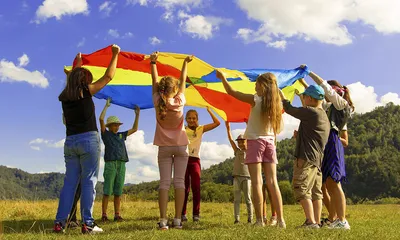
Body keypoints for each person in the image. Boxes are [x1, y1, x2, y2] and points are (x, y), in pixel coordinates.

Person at [54, 44, 120, 234]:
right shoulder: (86, 91)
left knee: (69, 183)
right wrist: (115, 54)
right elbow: (108, 76)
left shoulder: (65, 97)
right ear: (84, 81)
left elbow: (71, 82)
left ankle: (60, 223)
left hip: (70, 142)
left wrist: (78, 64)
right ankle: (88, 223)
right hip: (88, 141)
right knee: (89, 181)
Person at [217, 70, 286, 228]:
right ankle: (281, 220)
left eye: (257, 83)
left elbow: (231, 92)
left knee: (256, 182)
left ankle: (260, 221)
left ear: (263, 86)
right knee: (273, 182)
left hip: (255, 141)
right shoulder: (277, 104)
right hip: (270, 142)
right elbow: (280, 128)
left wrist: (223, 78)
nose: (254, 86)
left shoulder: (255, 99)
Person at [279, 77, 330, 229]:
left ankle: (310, 221)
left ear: (310, 98)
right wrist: (299, 135)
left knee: (300, 187)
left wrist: (282, 96)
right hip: (317, 160)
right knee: (315, 192)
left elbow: (289, 109)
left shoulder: (311, 112)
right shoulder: (323, 116)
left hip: (306, 157)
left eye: (304, 97)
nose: (303, 99)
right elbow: (313, 135)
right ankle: (315, 222)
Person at [150, 51, 193, 230]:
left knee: (164, 183)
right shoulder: (180, 100)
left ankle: (162, 220)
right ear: (175, 90)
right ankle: (177, 220)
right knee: (180, 182)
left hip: (164, 148)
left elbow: (154, 81)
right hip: (181, 146)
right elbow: (183, 80)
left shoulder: (157, 101)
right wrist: (185, 63)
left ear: (161, 89)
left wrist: (153, 62)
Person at [308, 71, 354, 230]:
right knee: (328, 183)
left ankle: (342, 220)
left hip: (333, 142)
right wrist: (302, 83)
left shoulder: (341, 104)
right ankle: (335, 219)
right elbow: (317, 96)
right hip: (327, 144)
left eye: (328, 91)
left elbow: (324, 89)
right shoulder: (330, 106)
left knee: (334, 183)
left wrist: (310, 73)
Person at [99, 99, 140, 222]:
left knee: (118, 192)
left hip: (122, 164)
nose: (117, 127)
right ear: (109, 126)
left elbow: (135, 129)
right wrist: (106, 107)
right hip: (110, 164)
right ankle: (104, 215)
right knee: (107, 191)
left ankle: (117, 214)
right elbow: (101, 120)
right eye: (115, 125)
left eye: (118, 125)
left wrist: (137, 115)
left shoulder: (121, 135)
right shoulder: (106, 135)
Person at [182, 107, 220, 222]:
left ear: (197, 118)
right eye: (189, 118)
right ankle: (182, 214)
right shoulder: (182, 128)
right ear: (186, 119)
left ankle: (196, 214)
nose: (191, 120)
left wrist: (209, 110)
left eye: (194, 118)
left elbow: (217, 123)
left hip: (195, 161)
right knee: (184, 188)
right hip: (183, 159)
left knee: (196, 188)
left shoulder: (200, 129)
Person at [225, 122, 253, 224]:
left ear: (247, 141)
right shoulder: (237, 151)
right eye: (239, 142)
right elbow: (231, 140)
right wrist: (228, 128)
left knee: (248, 199)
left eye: (242, 142)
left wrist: (248, 124)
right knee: (236, 200)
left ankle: (250, 219)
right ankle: (237, 219)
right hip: (236, 178)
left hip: (247, 178)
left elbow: (251, 135)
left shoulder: (250, 150)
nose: (240, 144)